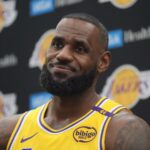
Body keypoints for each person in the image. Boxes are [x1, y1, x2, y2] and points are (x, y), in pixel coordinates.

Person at [0, 13, 150, 150]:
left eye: (79, 49)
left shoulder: (123, 131)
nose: (62, 55)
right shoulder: (9, 131)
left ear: (103, 62)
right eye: (57, 44)